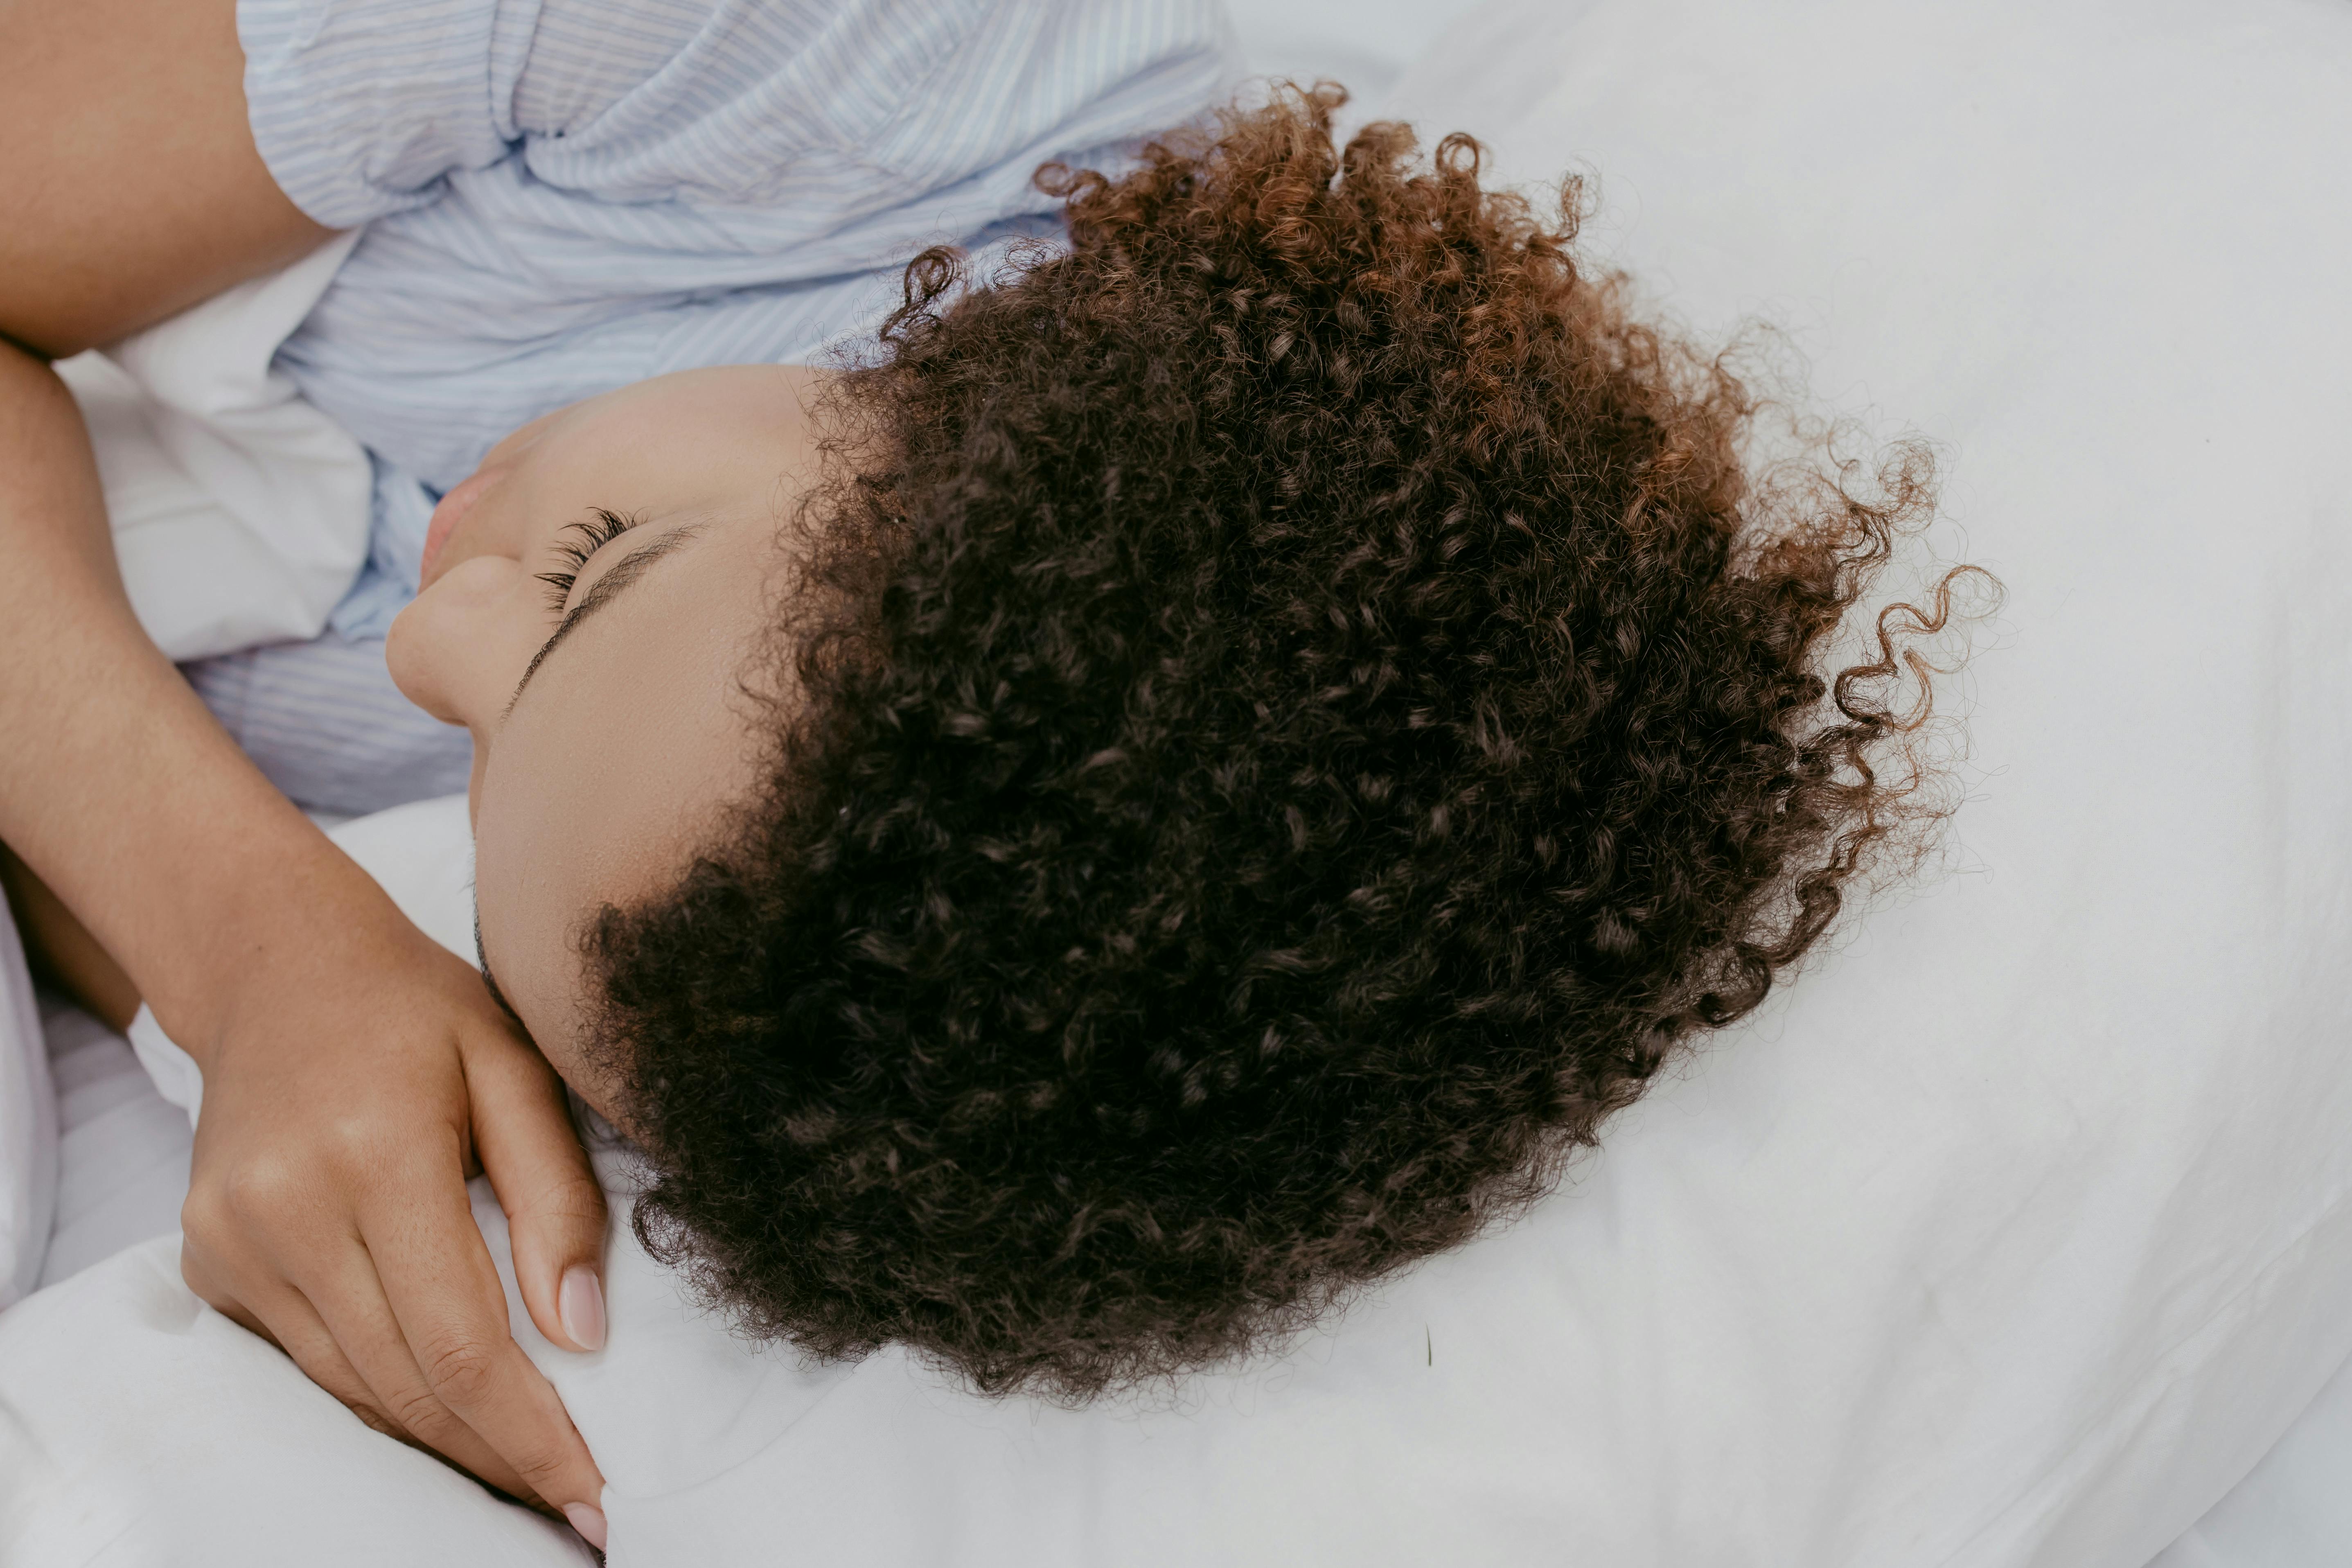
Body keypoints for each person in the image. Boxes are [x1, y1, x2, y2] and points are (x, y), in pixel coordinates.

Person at [0, 0, 1977, 1547]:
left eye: (477, 789)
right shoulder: (801, 56)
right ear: (945, 383)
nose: (438, 648)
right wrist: (252, 928)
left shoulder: (760, 971)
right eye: (602, 567)